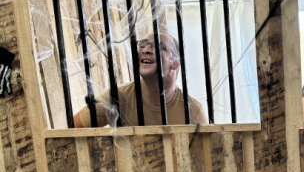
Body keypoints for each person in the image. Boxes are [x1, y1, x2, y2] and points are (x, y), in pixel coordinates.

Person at [74, 33, 208, 127]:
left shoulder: (194, 111)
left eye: (159, 46)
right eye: (142, 45)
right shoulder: (117, 97)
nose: (146, 50)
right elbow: (72, 130)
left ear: (175, 63)